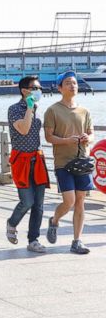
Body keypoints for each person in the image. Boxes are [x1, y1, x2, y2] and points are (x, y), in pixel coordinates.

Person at [44, 70, 95, 254]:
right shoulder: (52, 110)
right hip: (63, 163)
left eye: (74, 83)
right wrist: (67, 140)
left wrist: (86, 138)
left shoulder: (85, 111)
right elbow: (49, 137)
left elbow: (92, 133)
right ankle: (54, 220)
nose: (73, 86)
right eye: (68, 83)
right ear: (59, 88)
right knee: (69, 201)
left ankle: (77, 241)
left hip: (82, 161)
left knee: (80, 201)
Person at [6, 75, 49, 253]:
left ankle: (33, 239)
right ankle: (12, 223)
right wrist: (29, 109)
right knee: (27, 201)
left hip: (37, 159)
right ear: (25, 91)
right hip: (21, 160)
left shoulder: (38, 108)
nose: (38, 91)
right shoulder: (14, 109)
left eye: (39, 88)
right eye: (35, 88)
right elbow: (23, 129)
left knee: (39, 204)